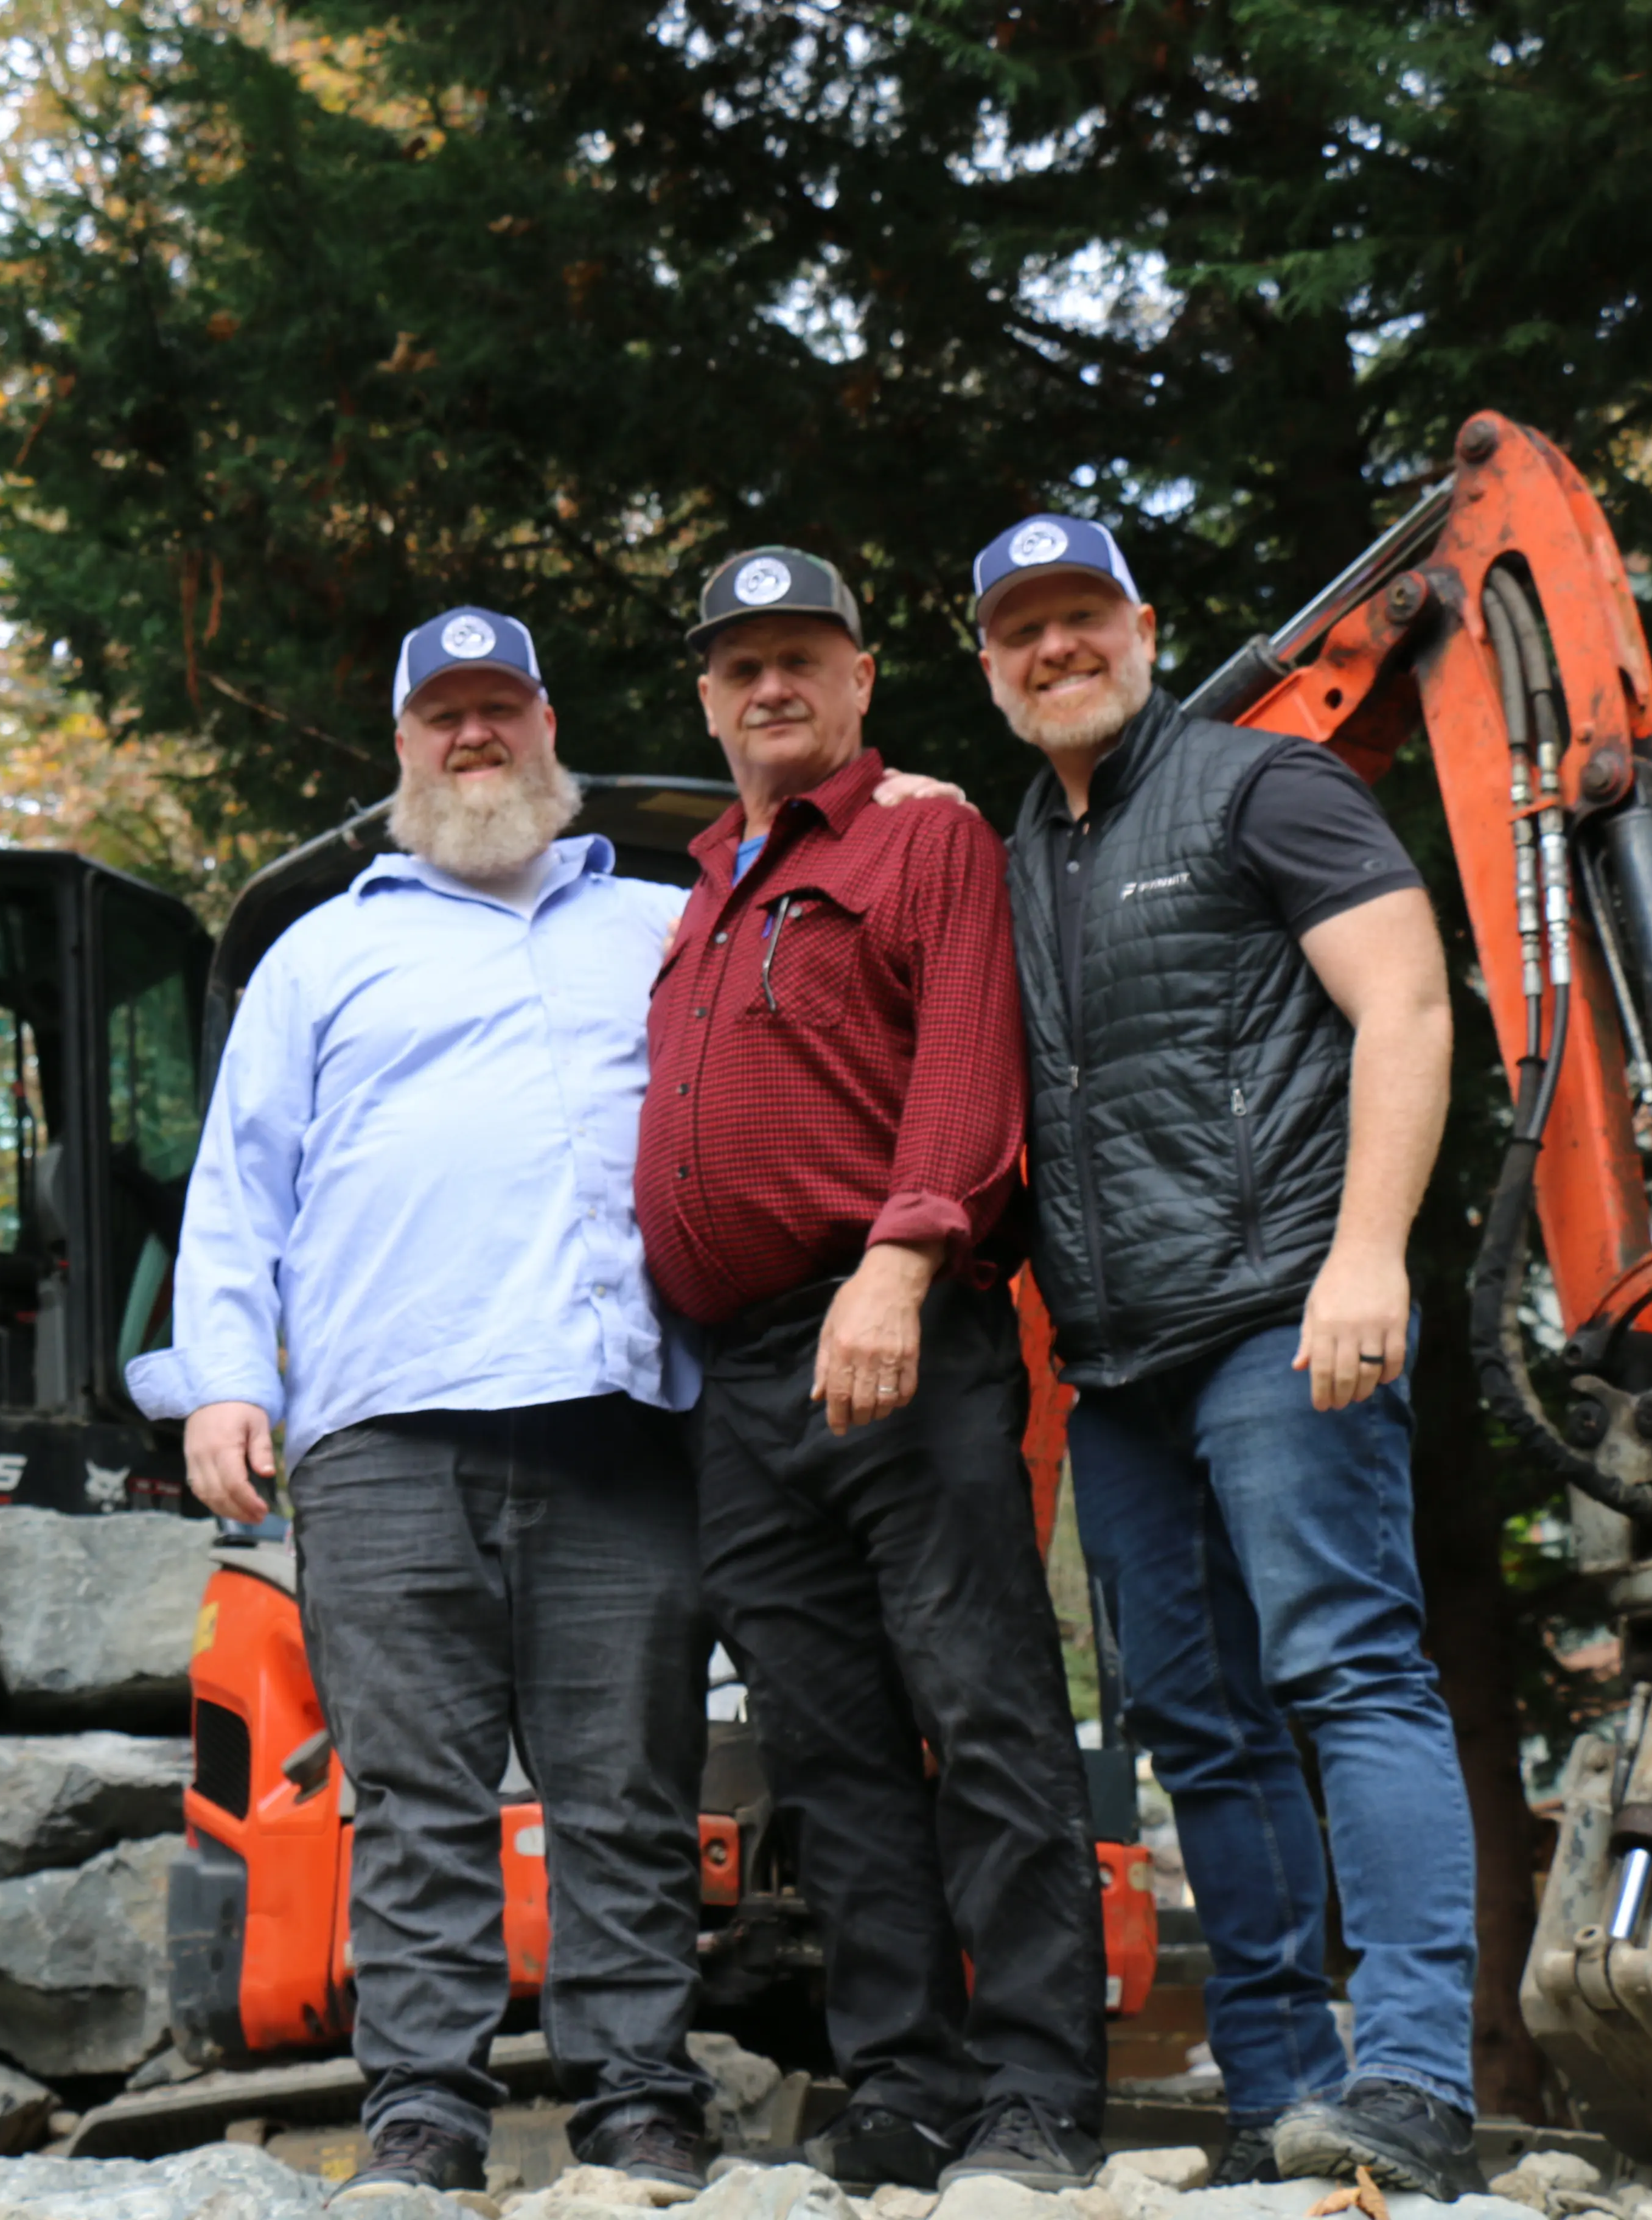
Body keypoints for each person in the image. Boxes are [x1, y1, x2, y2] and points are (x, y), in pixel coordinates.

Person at [125, 607, 720, 2198]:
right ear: (403, 747)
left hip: (620, 1415)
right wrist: (223, 1386)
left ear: (546, 727)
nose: (474, 738)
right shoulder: (321, 953)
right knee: (413, 1796)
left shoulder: (665, 924)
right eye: (442, 716)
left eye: (499, 708)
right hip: (384, 1430)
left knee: (628, 1787)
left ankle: (641, 2106)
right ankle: (425, 2117)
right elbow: (237, 1193)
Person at [969, 514, 1478, 2196]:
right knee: (1201, 1722)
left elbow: (1406, 1004)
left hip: (1282, 1315)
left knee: (1346, 1669)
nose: (1055, 651)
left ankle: (1411, 2074)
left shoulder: (1267, 787)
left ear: (1144, 626)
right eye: (1020, 632)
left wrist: (1365, 1258)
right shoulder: (1018, 851)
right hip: (1116, 1371)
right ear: (989, 664)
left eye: (1081, 619)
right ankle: (1279, 2088)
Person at [638, 547, 1109, 2195]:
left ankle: (1038, 2091)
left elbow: (972, 1070)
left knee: (982, 1713)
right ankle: (903, 2086)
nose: (771, 687)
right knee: (829, 1754)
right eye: (739, 666)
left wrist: (899, 1266)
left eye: (802, 660)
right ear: (708, 699)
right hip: (743, 1384)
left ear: (858, 682)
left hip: (895, 1328)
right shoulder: (703, 898)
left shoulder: (925, 833)